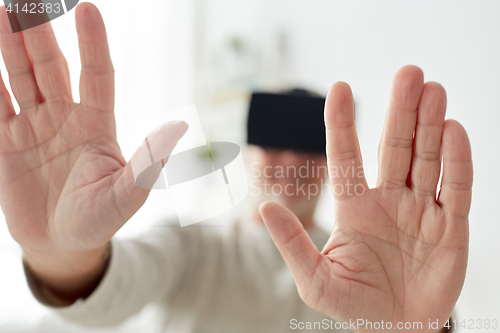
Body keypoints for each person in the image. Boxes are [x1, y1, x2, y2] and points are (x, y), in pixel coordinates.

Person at [0, 3, 472, 333]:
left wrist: (416, 328)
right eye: (270, 143)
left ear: (329, 166)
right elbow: (111, 295)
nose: (285, 161)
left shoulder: (370, 269)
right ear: (247, 153)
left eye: (303, 147)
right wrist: (59, 254)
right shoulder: (190, 247)